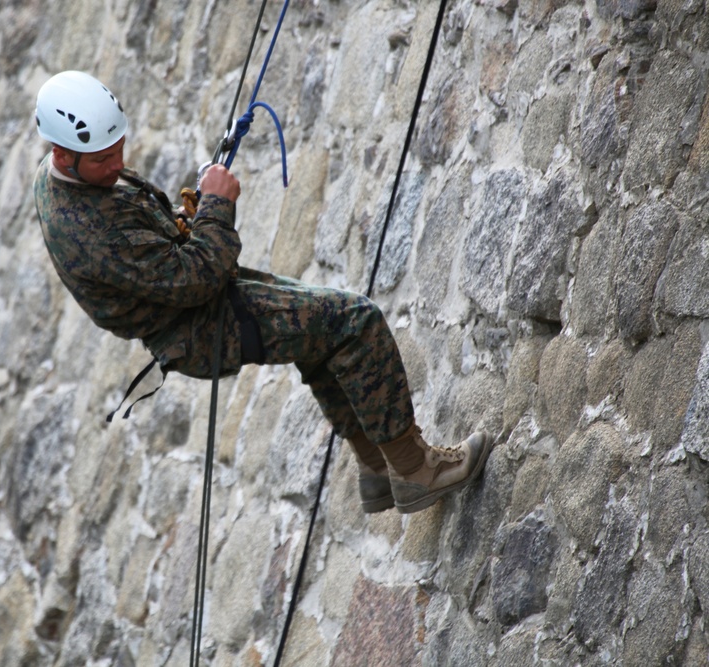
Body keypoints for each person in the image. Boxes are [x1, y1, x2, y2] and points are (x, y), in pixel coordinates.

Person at [31, 70, 493, 514]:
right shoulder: (87, 230)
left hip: (194, 308)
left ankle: (377, 467)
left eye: (118, 150)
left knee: (322, 337)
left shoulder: (69, 178)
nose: (115, 164)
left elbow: (150, 248)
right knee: (355, 322)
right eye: (101, 160)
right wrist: (216, 206)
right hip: (202, 328)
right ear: (60, 152)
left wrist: (187, 215)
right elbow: (196, 278)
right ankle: (415, 472)